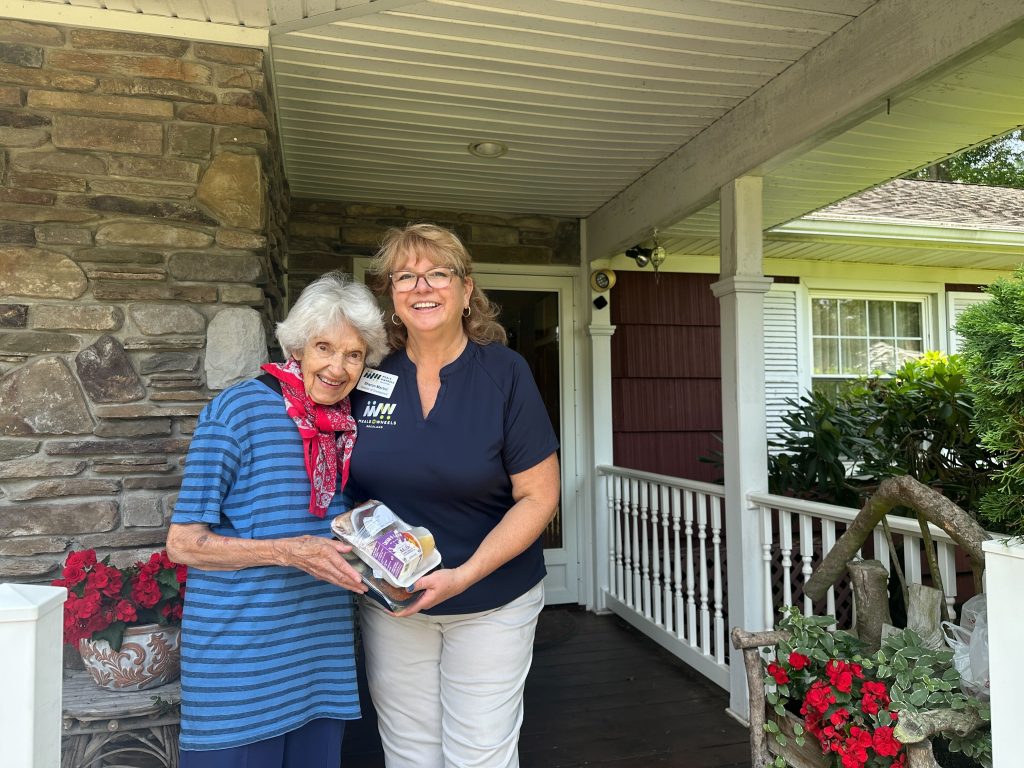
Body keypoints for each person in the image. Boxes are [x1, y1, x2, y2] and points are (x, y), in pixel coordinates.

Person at [347, 223, 561, 768]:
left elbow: (538, 497)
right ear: (393, 297)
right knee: (409, 751)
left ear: (467, 291)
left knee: (479, 753)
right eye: (406, 277)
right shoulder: (368, 374)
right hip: (395, 603)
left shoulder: (505, 373)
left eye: (438, 274)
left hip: (492, 600)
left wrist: (464, 576)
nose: (422, 287)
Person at [166, 272, 388, 768]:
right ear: (297, 347)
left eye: (354, 354)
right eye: (324, 348)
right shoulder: (237, 411)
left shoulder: (348, 424)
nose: (337, 367)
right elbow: (183, 543)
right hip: (242, 666)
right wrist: (288, 551)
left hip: (318, 658)